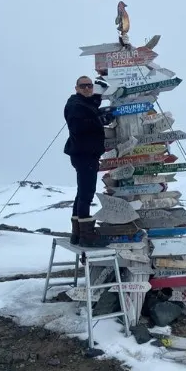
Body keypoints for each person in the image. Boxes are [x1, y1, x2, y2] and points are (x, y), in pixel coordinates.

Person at [63, 76, 112, 247]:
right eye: (83, 86)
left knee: (82, 191)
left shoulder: (81, 102)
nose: (87, 88)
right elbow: (79, 126)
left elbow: (91, 106)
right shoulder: (75, 105)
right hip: (85, 154)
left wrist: (98, 95)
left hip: (83, 153)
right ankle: (86, 235)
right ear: (76, 88)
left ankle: (77, 233)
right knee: (87, 192)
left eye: (89, 86)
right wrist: (100, 120)